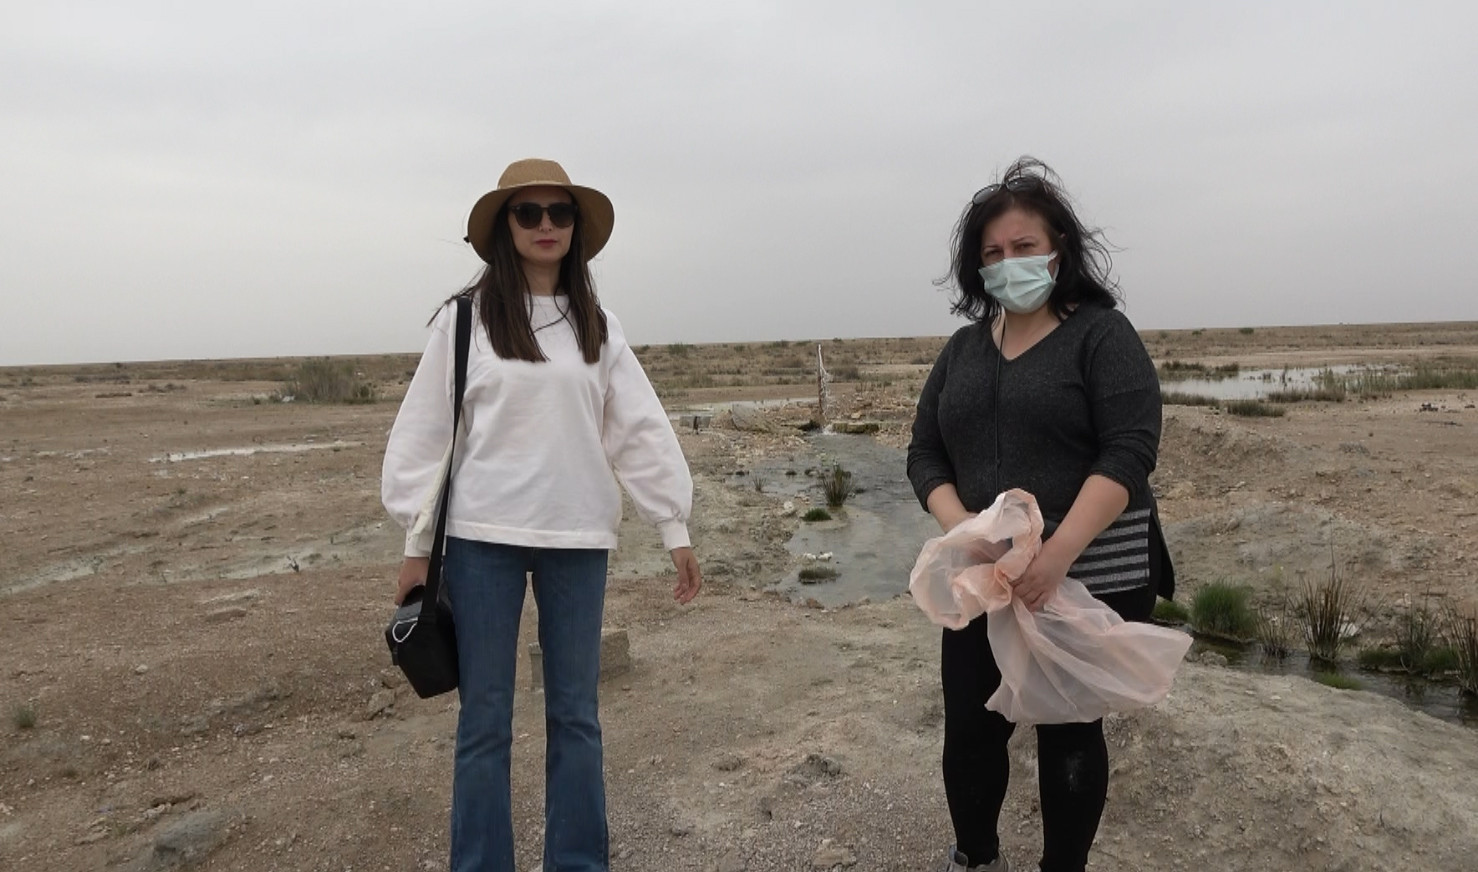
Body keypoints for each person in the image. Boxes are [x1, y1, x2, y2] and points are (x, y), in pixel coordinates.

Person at [382, 157, 703, 872]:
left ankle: (579, 863)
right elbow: (426, 436)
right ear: (505, 227)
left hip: (577, 538)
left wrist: (672, 524)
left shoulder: (597, 324)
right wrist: (415, 542)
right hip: (479, 542)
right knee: (485, 723)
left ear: (576, 229)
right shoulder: (463, 321)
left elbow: (638, 427)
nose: (546, 226)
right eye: (528, 213)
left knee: (576, 719)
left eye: (559, 213)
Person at [906, 156, 1164, 872]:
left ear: (1059, 250)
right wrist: (969, 534)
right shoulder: (962, 351)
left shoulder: (1101, 338)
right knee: (971, 724)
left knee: (1071, 729)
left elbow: (1129, 451)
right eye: (992, 253)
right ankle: (976, 856)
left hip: (1090, 569)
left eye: (1023, 248)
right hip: (983, 577)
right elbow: (925, 453)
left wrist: (1056, 555)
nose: (1007, 263)